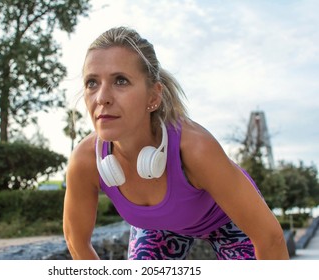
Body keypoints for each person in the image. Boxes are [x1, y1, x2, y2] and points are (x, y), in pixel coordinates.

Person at [63, 26, 289, 260]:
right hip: (159, 228)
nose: (102, 97)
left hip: (226, 219)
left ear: (153, 96)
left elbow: (270, 239)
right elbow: (76, 242)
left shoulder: (194, 149)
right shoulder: (85, 161)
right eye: (92, 83)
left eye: (120, 81)